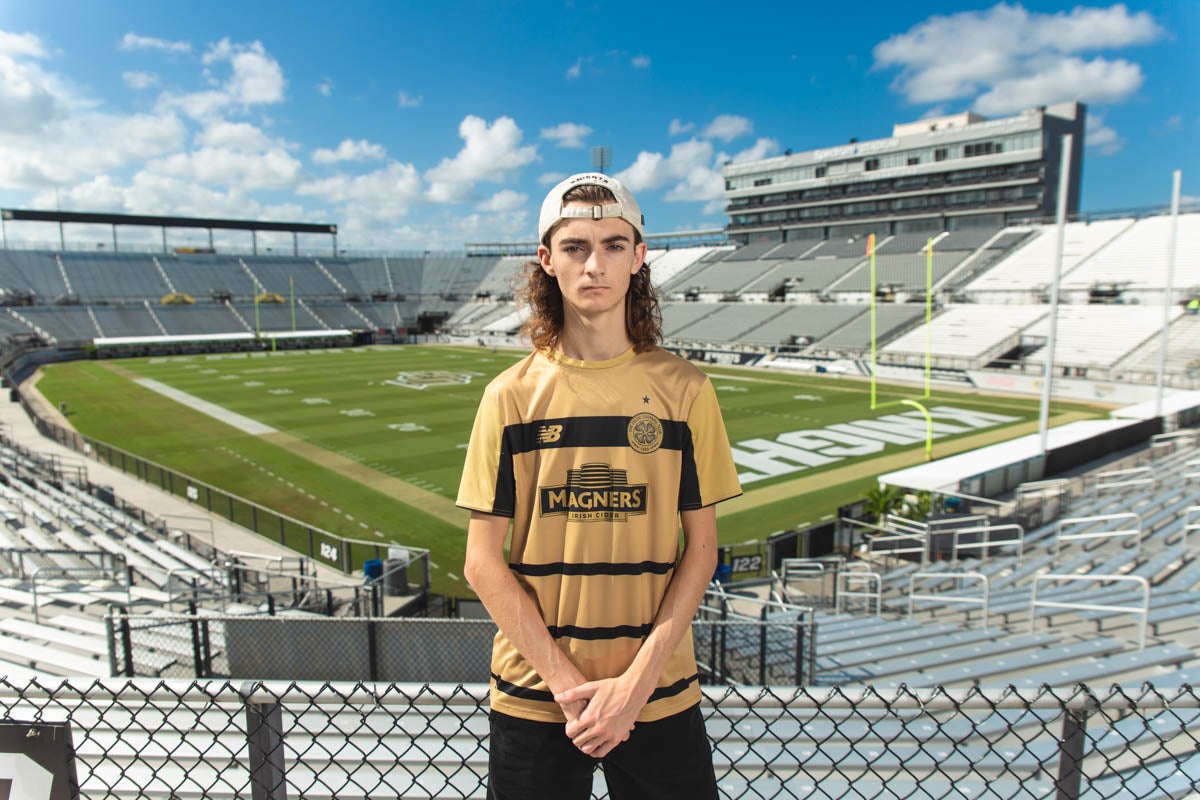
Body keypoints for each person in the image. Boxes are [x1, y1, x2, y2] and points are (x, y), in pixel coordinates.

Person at [457, 172, 742, 800]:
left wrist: (633, 688)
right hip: (536, 699)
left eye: (614, 245)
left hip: (658, 696)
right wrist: (569, 687)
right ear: (546, 260)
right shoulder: (508, 397)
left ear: (639, 259)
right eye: (576, 246)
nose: (595, 265)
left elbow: (701, 552)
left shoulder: (686, 390)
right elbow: (481, 563)